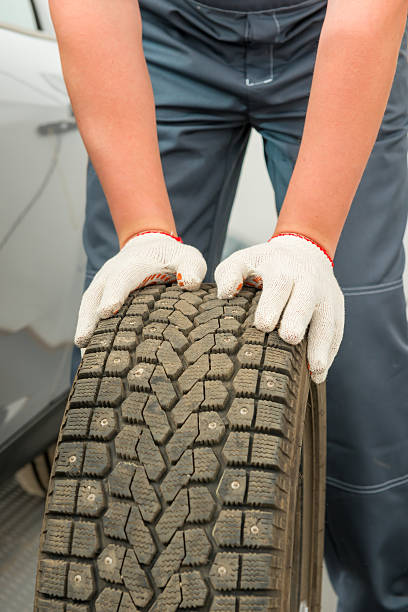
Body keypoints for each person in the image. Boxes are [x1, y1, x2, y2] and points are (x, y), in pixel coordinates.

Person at [50, 0, 408, 610]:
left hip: (329, 29)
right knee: (127, 338)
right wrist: (141, 230)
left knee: (359, 352)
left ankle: (384, 598)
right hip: (163, 32)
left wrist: (308, 236)